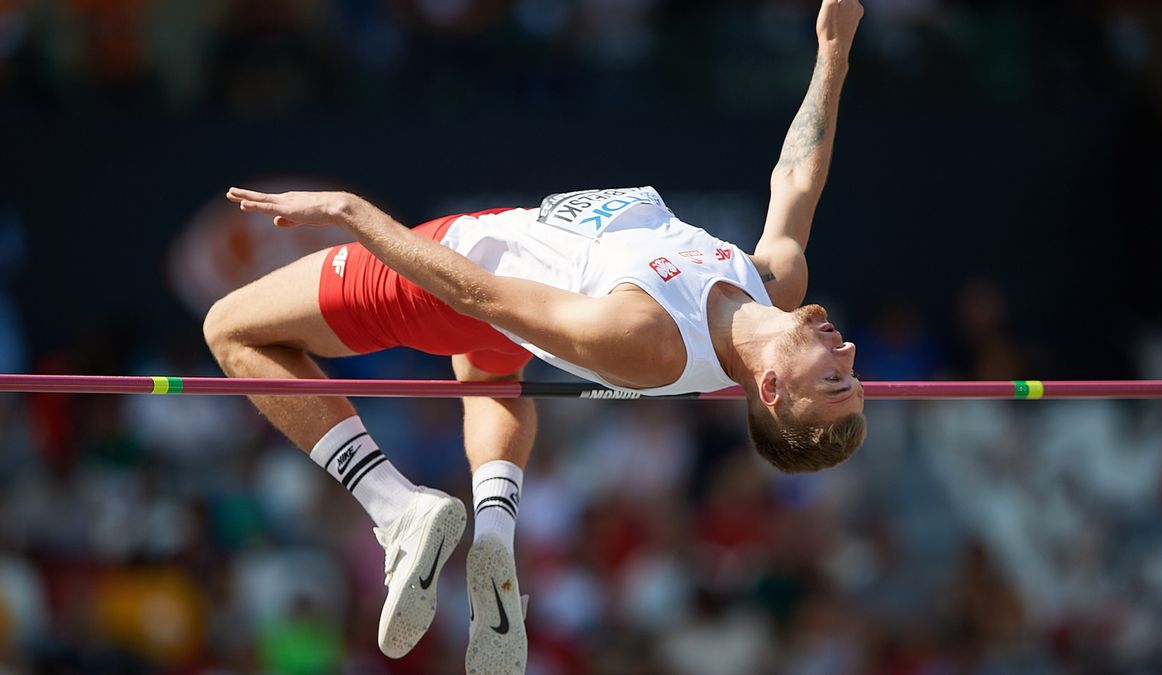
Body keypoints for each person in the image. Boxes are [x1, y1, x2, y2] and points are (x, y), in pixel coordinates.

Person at [203, 1, 865, 672]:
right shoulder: (773, 280)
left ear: (774, 387)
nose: (848, 352)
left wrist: (352, 213)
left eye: (834, 377)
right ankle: (493, 533)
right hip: (511, 300)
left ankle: (395, 505)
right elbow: (796, 176)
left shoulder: (646, 335)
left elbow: (478, 295)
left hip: (457, 266)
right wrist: (833, 53)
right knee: (488, 372)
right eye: (851, 372)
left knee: (231, 328)